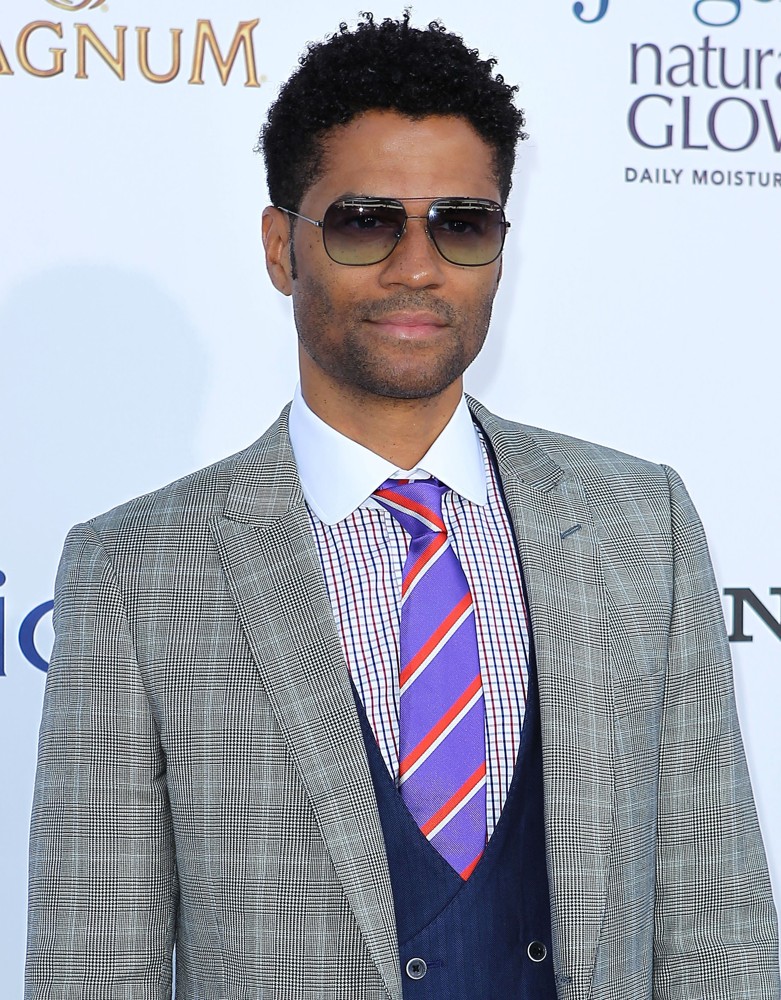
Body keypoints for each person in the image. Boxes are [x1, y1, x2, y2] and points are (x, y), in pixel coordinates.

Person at [25, 13, 780, 1000]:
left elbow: (718, 934)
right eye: (364, 221)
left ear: (499, 248)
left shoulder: (643, 524)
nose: (416, 266)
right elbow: (93, 966)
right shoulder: (138, 568)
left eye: (460, 224)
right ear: (280, 247)